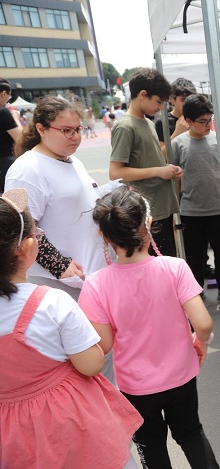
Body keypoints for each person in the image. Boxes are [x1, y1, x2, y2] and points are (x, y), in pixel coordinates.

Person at [0, 188, 142, 469]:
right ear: (28, 248)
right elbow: (91, 364)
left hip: (13, 434)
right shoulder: (51, 302)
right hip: (72, 424)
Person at [78, 185, 219, 468]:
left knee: (150, 445)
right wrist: (199, 344)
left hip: (136, 387)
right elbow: (202, 324)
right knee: (191, 432)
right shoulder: (174, 267)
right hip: (181, 375)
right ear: (149, 223)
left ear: (103, 236)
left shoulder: (96, 285)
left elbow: (103, 345)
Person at [5, 96, 116, 383]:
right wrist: (59, 264)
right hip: (62, 286)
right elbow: (19, 225)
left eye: (78, 129)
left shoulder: (71, 159)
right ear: (41, 129)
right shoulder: (27, 169)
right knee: (85, 365)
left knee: (102, 359)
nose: (76, 136)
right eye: (66, 130)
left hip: (90, 280)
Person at [172, 94, 220, 306]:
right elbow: (174, 180)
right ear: (189, 121)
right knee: (195, 256)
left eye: (210, 119)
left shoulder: (219, 140)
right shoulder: (178, 144)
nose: (208, 124)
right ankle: (197, 291)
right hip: (191, 211)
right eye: (202, 121)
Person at [109, 68, 182, 257]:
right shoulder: (125, 126)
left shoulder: (148, 123)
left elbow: (150, 160)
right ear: (143, 95)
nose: (160, 107)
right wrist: (158, 171)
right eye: (158, 101)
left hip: (161, 207)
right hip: (146, 213)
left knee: (167, 263)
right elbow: (115, 173)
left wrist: (166, 169)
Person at [155, 77, 195, 153]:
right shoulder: (163, 122)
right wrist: (177, 133)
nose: (187, 103)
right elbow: (161, 156)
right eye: (183, 100)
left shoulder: (197, 119)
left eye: (190, 99)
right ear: (172, 100)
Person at [0, 78, 21, 193]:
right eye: (9, 96)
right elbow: (21, 139)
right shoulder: (3, 112)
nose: (8, 100)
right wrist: (16, 118)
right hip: (6, 165)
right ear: (3, 93)